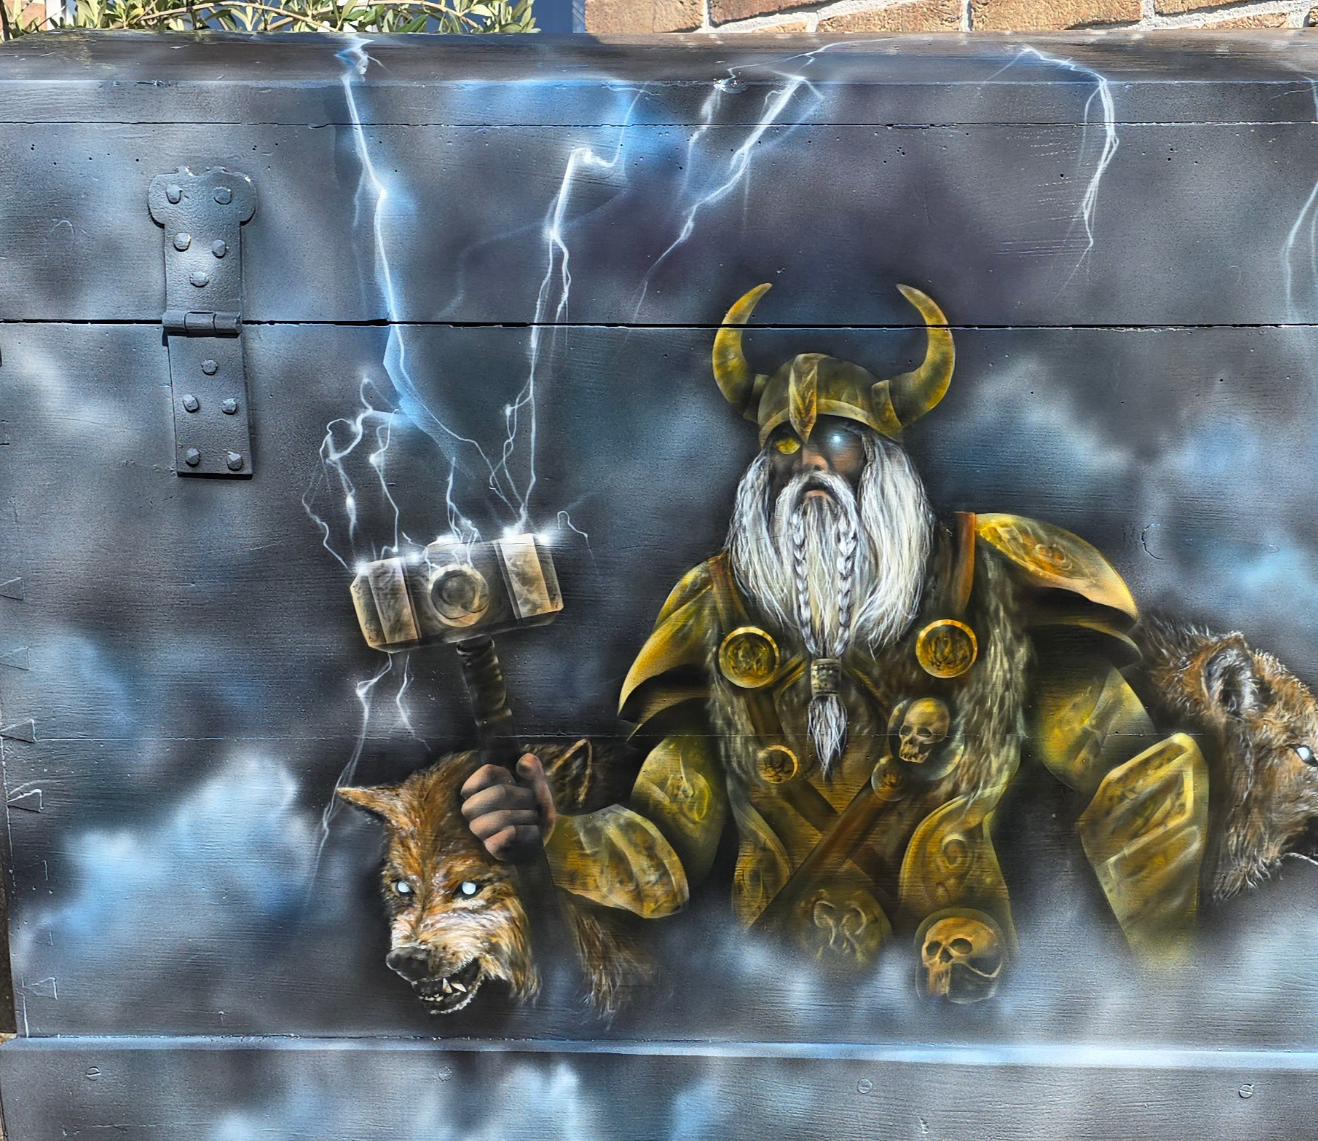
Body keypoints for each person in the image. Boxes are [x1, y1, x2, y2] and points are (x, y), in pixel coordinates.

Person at [460, 284, 1210, 1000]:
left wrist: (1171, 994)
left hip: (963, 984)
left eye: (840, 440)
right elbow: (663, 853)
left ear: (886, 461)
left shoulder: (992, 579)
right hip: (783, 1009)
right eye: (784, 445)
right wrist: (554, 839)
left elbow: (1141, 787)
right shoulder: (715, 613)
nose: (809, 463)